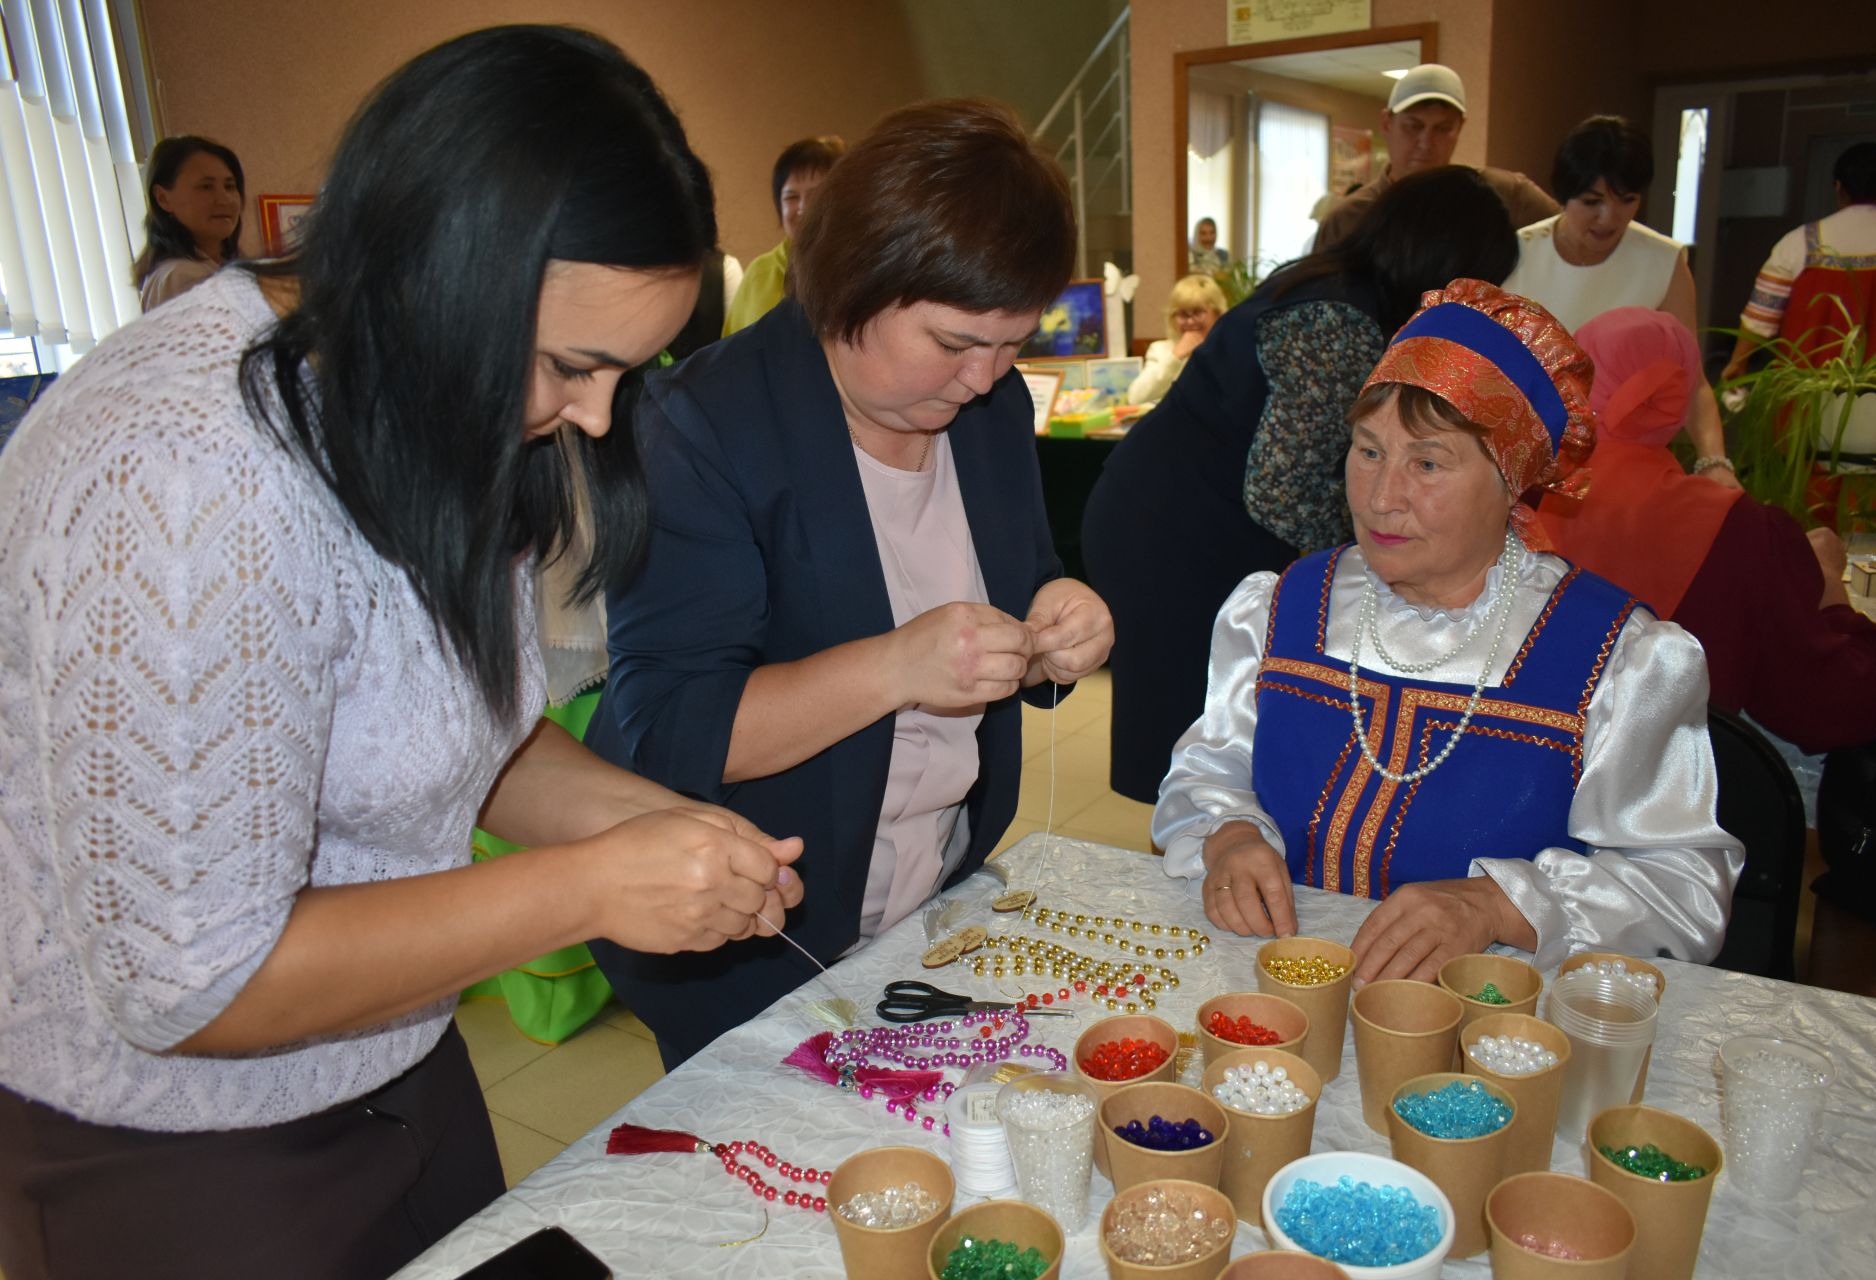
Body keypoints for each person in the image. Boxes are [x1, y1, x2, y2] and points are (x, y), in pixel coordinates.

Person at [0, 28, 805, 1279]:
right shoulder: (186, 476)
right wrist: (592, 888)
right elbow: (191, 983)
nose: (593, 417)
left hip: (398, 1069)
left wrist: (662, 828)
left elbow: (464, 735)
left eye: (623, 375)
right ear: (443, 268)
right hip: (179, 1160)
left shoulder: (424, 390)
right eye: (571, 367)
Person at [584, 99, 1114, 1066]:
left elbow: (1018, 583)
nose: (988, 378)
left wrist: (1057, 622)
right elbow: (672, 726)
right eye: (955, 343)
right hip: (758, 932)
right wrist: (897, 667)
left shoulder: (986, 408)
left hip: (931, 897)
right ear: (852, 283)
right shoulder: (704, 427)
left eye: (1013, 343)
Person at [1156, 279, 1743, 981]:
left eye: (1427, 463)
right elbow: (1208, 769)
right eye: (1368, 451)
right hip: (1275, 1003)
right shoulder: (1279, 611)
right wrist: (1229, 835)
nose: (1380, 497)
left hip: (1487, 1039)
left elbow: (1683, 889)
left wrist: (1498, 906)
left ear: (1511, 480)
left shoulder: (1617, 660)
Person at [1083, 166, 1518, 805]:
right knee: (1195, 756)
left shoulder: (1332, 283)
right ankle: (1180, 884)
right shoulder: (1336, 320)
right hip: (1177, 540)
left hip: (1177, 517)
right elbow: (1285, 489)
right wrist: (1375, 557)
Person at [1532, 307, 1876, 753]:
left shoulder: (1512, 496)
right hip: (1670, 805)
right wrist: (1829, 586)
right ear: (1680, 399)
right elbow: (1835, 711)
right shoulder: (1741, 530)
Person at [1503, 115, 1737, 487]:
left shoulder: (1663, 261)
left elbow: (1690, 379)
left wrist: (1714, 460)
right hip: (1525, 455)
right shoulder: (1516, 254)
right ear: (1564, 194)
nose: (1608, 217)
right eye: (1591, 201)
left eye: (1626, 200)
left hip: (1624, 466)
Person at [1311, 64, 1556, 252]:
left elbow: (1571, 238)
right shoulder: (1348, 219)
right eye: (1413, 126)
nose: (1426, 143)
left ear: (1460, 127)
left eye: (1442, 129)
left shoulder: (1506, 195)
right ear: (1387, 123)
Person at [1725, 142, 1876, 377]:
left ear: (1838, 187)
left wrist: (1737, 364)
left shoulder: (1798, 242)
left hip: (1808, 395)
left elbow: (1761, 316)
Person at [721, 133, 847, 335]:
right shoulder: (760, 274)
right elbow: (729, 356)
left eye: (816, 195)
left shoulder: (865, 272)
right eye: (792, 197)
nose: (803, 208)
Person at [132, 135, 245, 311]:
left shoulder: (219, 267)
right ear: (163, 198)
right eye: (206, 187)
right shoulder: (183, 276)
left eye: (230, 186)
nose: (224, 199)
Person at [1127, 273, 1229, 404]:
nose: (1190, 321)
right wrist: (1176, 356)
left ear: (1217, 314)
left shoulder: (1229, 349)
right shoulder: (1160, 350)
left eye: (1198, 312)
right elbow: (1135, 398)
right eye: (1182, 314)